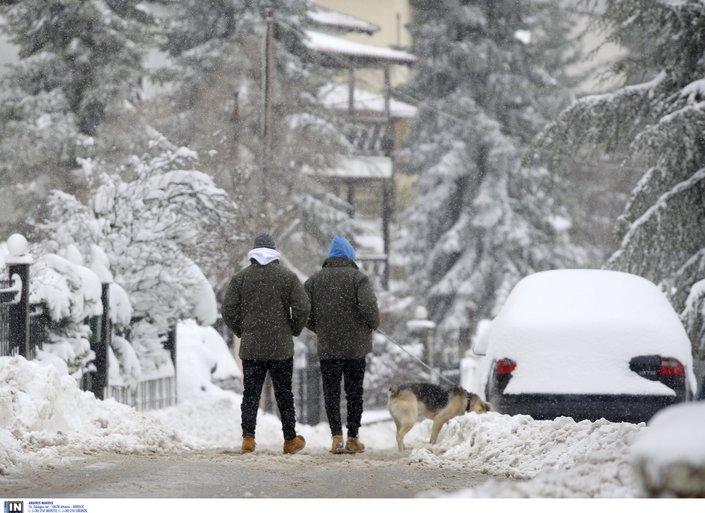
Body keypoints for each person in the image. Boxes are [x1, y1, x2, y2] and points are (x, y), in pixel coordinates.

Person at [221, 233, 310, 455]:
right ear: (274, 253)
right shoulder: (287, 277)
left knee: (250, 394)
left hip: (251, 348)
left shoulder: (241, 278)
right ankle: (290, 440)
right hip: (280, 347)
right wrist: (293, 328)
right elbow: (303, 307)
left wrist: (242, 330)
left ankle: (248, 439)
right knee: (284, 394)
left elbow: (227, 309)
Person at [304, 235, 379, 454]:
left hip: (329, 347)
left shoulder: (314, 281)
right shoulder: (359, 279)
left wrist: (319, 328)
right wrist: (371, 324)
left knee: (331, 391)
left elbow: (303, 310)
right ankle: (353, 437)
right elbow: (369, 308)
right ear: (349, 256)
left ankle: (336, 436)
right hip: (356, 347)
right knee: (354, 392)